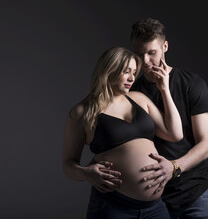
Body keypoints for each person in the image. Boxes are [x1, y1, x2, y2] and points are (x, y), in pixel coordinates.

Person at [62, 46, 183, 218]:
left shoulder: (139, 99)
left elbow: (175, 133)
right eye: (126, 72)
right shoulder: (82, 113)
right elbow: (68, 164)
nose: (132, 78)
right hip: (113, 207)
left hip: (155, 208)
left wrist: (164, 89)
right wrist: (86, 173)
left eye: (134, 72)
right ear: (109, 70)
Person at [129, 18, 208, 219]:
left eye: (151, 53)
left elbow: (206, 145)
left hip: (194, 194)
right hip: (152, 200)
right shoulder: (132, 91)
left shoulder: (191, 83)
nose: (144, 61)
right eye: (138, 54)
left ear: (165, 47)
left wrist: (174, 167)